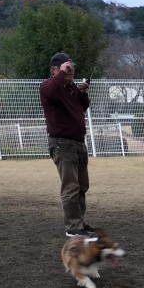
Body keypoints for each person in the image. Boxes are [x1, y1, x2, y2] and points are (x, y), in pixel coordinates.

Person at [39, 52, 96, 238]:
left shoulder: (71, 89)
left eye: (71, 67)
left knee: (81, 186)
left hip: (78, 143)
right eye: (65, 68)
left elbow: (81, 108)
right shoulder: (49, 86)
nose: (70, 71)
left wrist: (82, 93)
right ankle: (73, 227)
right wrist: (62, 74)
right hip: (62, 144)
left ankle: (79, 222)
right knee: (70, 187)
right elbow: (52, 91)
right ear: (54, 70)